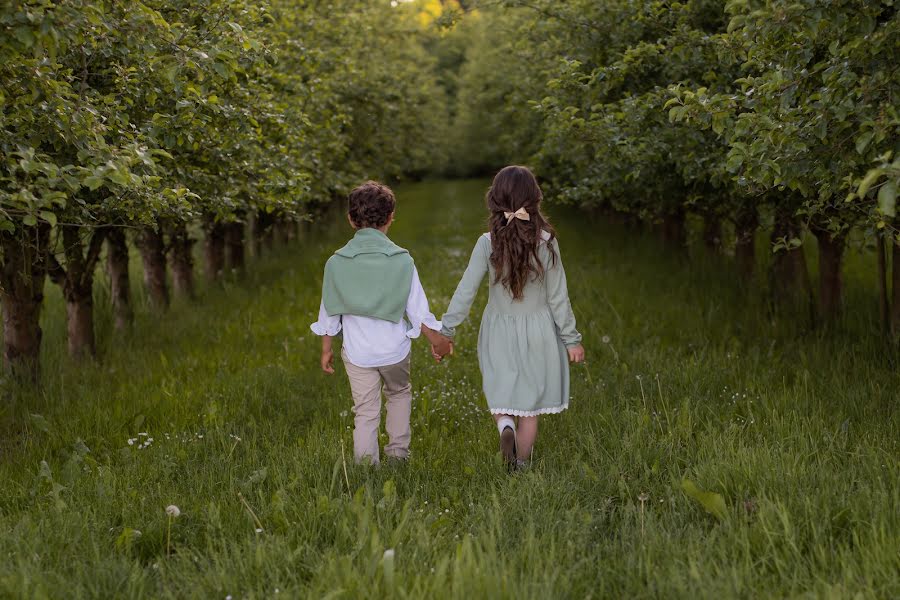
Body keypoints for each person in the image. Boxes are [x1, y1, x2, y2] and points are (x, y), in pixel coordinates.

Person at [436, 166, 585, 470]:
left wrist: (446, 329)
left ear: (495, 199)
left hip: (498, 330)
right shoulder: (546, 242)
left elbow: (466, 290)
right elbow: (558, 297)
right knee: (529, 409)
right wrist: (571, 339)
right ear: (534, 199)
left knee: (500, 391)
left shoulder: (486, 242)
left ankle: (505, 423)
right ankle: (521, 464)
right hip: (539, 330)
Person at [311, 181, 452, 465]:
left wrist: (326, 348)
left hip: (358, 353)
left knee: (365, 410)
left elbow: (328, 310)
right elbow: (418, 312)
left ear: (350, 219)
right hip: (394, 351)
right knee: (399, 394)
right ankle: (398, 454)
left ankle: (365, 465)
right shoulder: (402, 261)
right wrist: (439, 342)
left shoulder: (336, 263)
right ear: (390, 218)